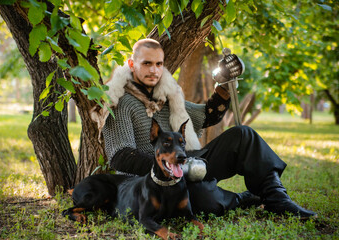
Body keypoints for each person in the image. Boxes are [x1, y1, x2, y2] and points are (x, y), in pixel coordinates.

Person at [94, 38, 316, 219]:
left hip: (185, 162)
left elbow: (209, 115)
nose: (154, 70)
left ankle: (277, 198)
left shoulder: (168, 96)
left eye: (159, 64)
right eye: (146, 63)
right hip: (151, 181)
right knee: (203, 199)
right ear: (132, 64)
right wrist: (169, 168)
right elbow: (120, 156)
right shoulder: (118, 101)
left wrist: (225, 84)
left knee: (243, 135)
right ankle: (242, 198)